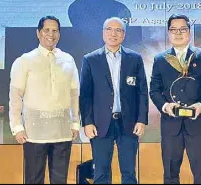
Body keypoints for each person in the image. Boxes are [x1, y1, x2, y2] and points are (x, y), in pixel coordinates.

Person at [9, 16, 80, 184]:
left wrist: (75, 122)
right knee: (34, 179)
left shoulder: (68, 59)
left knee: (60, 180)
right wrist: (17, 127)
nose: (51, 34)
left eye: (55, 30)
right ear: (38, 33)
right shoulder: (24, 61)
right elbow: (15, 97)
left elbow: (74, 94)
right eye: (46, 30)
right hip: (34, 134)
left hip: (62, 133)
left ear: (59, 34)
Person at [150, 14, 201, 184]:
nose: (178, 33)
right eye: (173, 29)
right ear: (168, 33)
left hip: (197, 124)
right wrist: (165, 106)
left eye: (182, 29)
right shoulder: (160, 60)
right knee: (170, 174)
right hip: (170, 125)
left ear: (189, 32)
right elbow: (154, 90)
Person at [79, 17, 148, 184]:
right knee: (101, 173)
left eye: (118, 30)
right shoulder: (91, 59)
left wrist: (141, 120)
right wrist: (87, 122)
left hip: (129, 123)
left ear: (124, 34)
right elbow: (85, 94)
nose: (113, 33)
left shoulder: (135, 58)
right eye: (109, 29)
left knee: (129, 173)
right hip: (100, 123)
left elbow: (142, 91)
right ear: (103, 33)